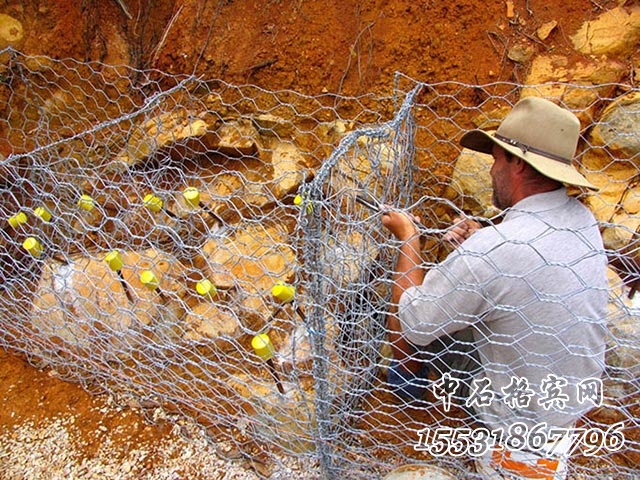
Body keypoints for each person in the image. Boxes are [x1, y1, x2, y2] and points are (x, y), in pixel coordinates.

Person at [381, 97, 609, 479]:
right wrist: (484, 239)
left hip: (518, 428)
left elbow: (414, 323)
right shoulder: (581, 219)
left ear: (518, 163)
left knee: (411, 317)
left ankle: (408, 389)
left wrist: (409, 238)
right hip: (563, 402)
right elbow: (528, 265)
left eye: (496, 157)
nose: (490, 169)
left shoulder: (495, 249)